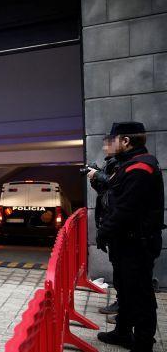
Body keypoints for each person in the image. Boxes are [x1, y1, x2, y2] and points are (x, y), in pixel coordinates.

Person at [95, 122, 165, 352]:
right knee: (125, 289)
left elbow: (125, 209)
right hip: (125, 241)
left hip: (136, 242)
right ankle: (123, 332)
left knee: (140, 294)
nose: (108, 145)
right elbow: (113, 195)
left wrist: (104, 231)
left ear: (125, 141)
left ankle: (143, 343)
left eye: (112, 140)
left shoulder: (140, 168)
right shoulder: (129, 165)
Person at [87, 137, 120, 322]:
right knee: (119, 270)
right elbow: (105, 189)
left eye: (108, 144)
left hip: (126, 231)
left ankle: (126, 312)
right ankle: (121, 305)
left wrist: (98, 175)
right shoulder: (113, 164)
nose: (104, 147)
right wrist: (96, 177)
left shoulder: (124, 165)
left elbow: (114, 186)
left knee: (127, 274)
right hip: (114, 227)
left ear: (123, 142)